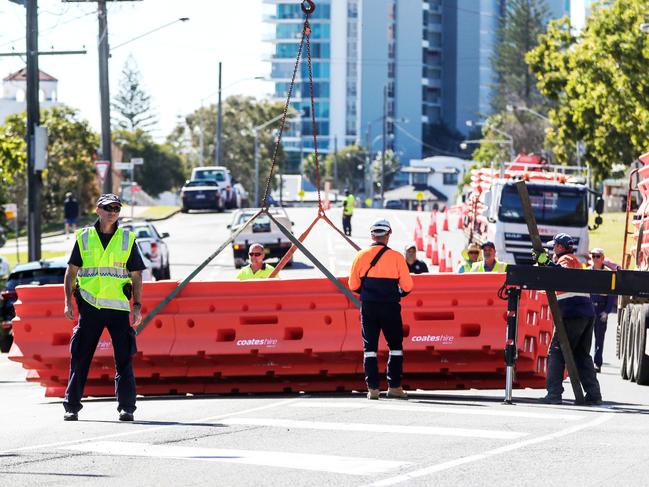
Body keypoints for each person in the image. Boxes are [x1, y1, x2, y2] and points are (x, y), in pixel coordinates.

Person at [62, 194, 145, 421]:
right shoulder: (85, 237)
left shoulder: (127, 239)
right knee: (80, 357)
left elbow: (136, 276)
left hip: (118, 308)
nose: (113, 212)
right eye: (108, 208)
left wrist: (137, 306)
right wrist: (68, 300)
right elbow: (71, 271)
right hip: (90, 306)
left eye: (117, 208)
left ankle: (127, 408)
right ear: (98, 210)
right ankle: (71, 407)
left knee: (124, 359)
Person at [348, 219, 414, 400]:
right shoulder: (397, 257)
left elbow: (353, 285)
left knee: (369, 348)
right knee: (395, 347)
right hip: (390, 307)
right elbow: (407, 287)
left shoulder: (360, 256)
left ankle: (373, 389)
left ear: (372, 235)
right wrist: (396, 294)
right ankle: (394, 387)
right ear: (388, 235)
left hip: (369, 307)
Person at [533, 233, 602, 405]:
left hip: (572, 313)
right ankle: (593, 394)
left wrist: (546, 262)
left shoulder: (566, 259)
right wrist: (546, 263)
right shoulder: (574, 260)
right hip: (586, 313)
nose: (552, 249)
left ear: (560, 247)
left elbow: (561, 275)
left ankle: (554, 394)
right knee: (581, 354)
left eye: (554, 246)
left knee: (556, 351)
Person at [589, 247, 618, 373]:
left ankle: (597, 363)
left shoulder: (608, 274)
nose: (595, 259)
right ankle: (584, 363)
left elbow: (611, 295)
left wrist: (606, 311)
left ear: (603, 258)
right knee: (585, 338)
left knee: (599, 338)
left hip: (601, 309)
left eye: (598, 256)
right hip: (588, 308)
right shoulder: (587, 272)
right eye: (593, 256)